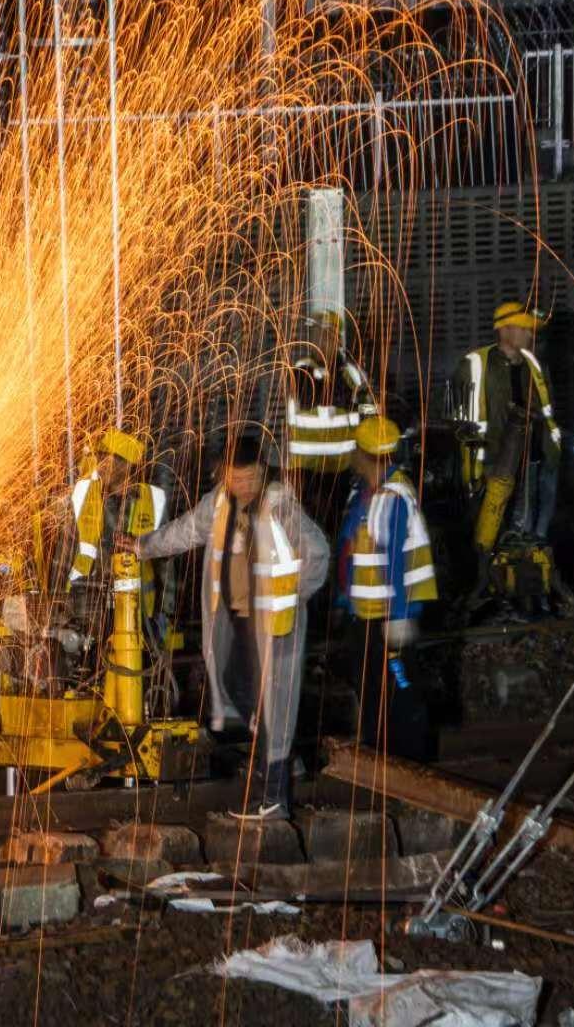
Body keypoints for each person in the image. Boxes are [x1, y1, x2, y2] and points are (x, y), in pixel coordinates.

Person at [135, 426, 329, 820]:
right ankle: (282, 762)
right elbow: (186, 531)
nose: (242, 486)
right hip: (239, 621)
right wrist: (143, 546)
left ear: (263, 472)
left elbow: (319, 553)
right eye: (235, 478)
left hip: (275, 625)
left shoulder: (281, 508)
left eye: (250, 478)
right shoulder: (219, 504)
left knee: (273, 705)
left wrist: (292, 598)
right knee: (238, 690)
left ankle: (274, 799)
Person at [333, 419, 437, 760]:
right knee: (373, 691)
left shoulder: (392, 496)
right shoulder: (367, 493)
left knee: (397, 692)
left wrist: (400, 616)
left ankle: (409, 764)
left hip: (387, 618)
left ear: (365, 455)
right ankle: (383, 760)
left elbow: (395, 559)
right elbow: (353, 549)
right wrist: (344, 600)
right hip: (366, 616)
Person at [452, 302, 561, 572]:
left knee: (529, 538)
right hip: (493, 466)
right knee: (492, 537)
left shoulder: (535, 365)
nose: (530, 335)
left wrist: (552, 453)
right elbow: (456, 420)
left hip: (534, 462)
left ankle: (528, 586)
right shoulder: (476, 364)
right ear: (505, 329)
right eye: (525, 329)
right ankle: (492, 586)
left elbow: (548, 412)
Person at [62, 429, 166, 683]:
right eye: (100, 458)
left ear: (125, 464)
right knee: (91, 672)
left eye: (108, 459)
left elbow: (166, 561)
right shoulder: (84, 492)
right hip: (87, 599)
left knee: (133, 673)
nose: (101, 465)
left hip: (139, 606)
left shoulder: (154, 498)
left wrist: (165, 612)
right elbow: (69, 546)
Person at [284, 311, 377, 538]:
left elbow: (369, 410)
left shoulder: (351, 372)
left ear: (338, 337)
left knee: (346, 532)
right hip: (308, 472)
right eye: (318, 333)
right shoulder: (302, 368)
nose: (323, 339)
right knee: (312, 535)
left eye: (329, 334)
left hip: (345, 469)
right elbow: (313, 395)